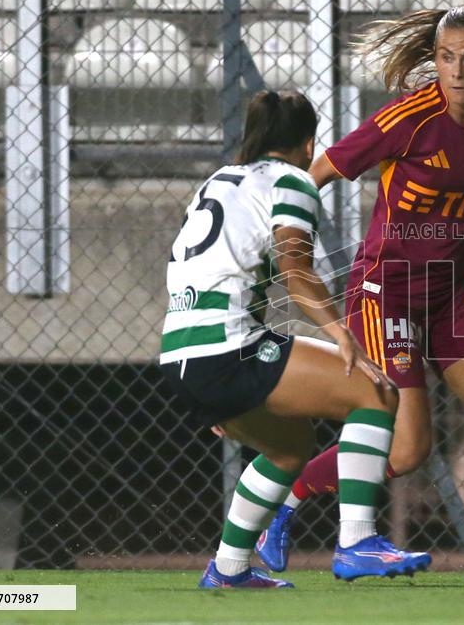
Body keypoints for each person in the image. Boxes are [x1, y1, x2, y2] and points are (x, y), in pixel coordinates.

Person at [253, 3, 464, 586]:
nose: (456, 71)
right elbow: (315, 173)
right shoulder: (408, 119)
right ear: (435, 61)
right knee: (407, 450)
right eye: (445, 58)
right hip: (385, 290)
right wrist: (277, 242)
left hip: (449, 296)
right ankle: (286, 498)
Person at [159, 89, 431, 588]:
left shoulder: (219, 182)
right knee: (375, 390)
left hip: (181, 354)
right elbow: (295, 270)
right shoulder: (293, 182)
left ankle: (229, 569)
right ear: (309, 143)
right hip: (227, 346)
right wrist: (339, 332)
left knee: (289, 448)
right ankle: (356, 542)